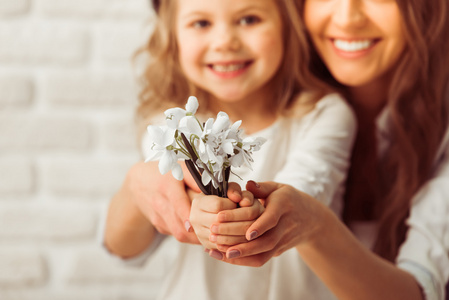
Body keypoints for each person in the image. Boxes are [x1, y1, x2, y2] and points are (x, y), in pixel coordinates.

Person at [102, 0, 357, 299]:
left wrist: (240, 214)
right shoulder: (172, 128)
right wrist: (148, 192)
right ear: (173, 37)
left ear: (289, 26)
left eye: (249, 19)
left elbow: (299, 200)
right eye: (201, 23)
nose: (224, 42)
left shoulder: (323, 116)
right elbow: (123, 249)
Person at [203, 0, 449, 299]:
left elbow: (421, 291)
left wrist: (315, 226)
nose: (347, 18)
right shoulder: (259, 98)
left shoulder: (441, 132)